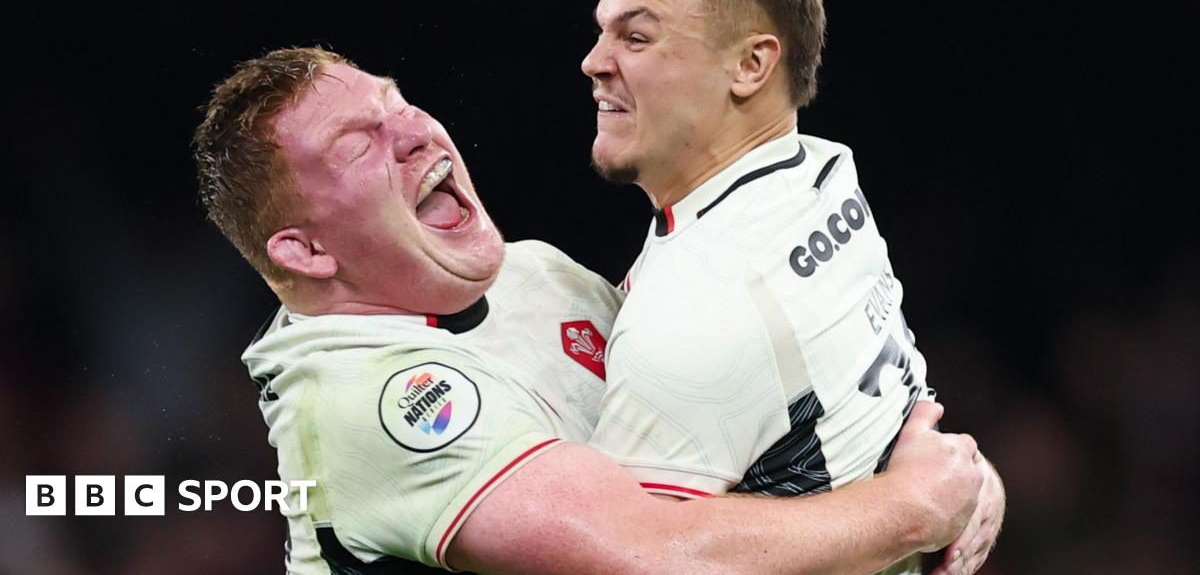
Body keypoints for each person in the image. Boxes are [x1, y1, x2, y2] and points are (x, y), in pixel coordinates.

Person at [194, 47, 984, 573]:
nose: (414, 130)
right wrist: (910, 507)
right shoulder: (362, 405)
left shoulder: (535, 274)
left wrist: (957, 477)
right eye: (357, 144)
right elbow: (654, 555)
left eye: (396, 101)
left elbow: (748, 431)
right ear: (306, 253)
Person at [580, 0, 1004, 573]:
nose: (593, 61)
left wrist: (926, 503)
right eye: (603, 33)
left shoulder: (693, 308)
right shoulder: (821, 171)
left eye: (636, 38)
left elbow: (625, 554)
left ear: (750, 65)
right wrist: (962, 481)